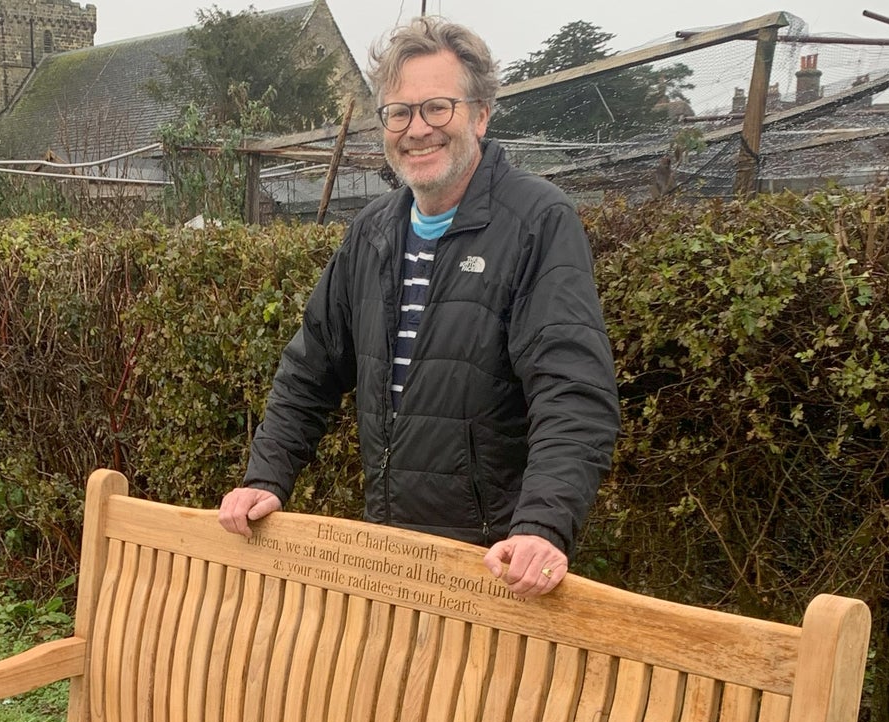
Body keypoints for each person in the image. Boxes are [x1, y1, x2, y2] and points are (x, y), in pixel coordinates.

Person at [218, 16, 619, 599]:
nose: (417, 129)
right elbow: (311, 369)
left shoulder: (537, 222)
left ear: (480, 114)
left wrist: (542, 524)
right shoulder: (372, 233)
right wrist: (267, 476)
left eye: (437, 107)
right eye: (399, 112)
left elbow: (573, 391)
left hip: (495, 567)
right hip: (390, 557)